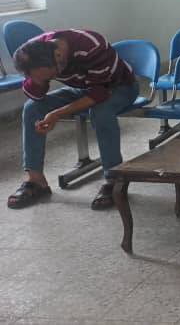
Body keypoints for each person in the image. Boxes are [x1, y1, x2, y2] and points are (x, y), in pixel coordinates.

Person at [7, 30, 139, 210]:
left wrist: (57, 114)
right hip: (83, 88)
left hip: (120, 87)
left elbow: (99, 94)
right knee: (32, 108)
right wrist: (38, 81)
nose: (51, 79)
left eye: (51, 75)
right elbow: (36, 94)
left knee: (101, 112)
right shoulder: (33, 51)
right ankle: (36, 181)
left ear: (58, 56)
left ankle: (114, 182)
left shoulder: (92, 45)